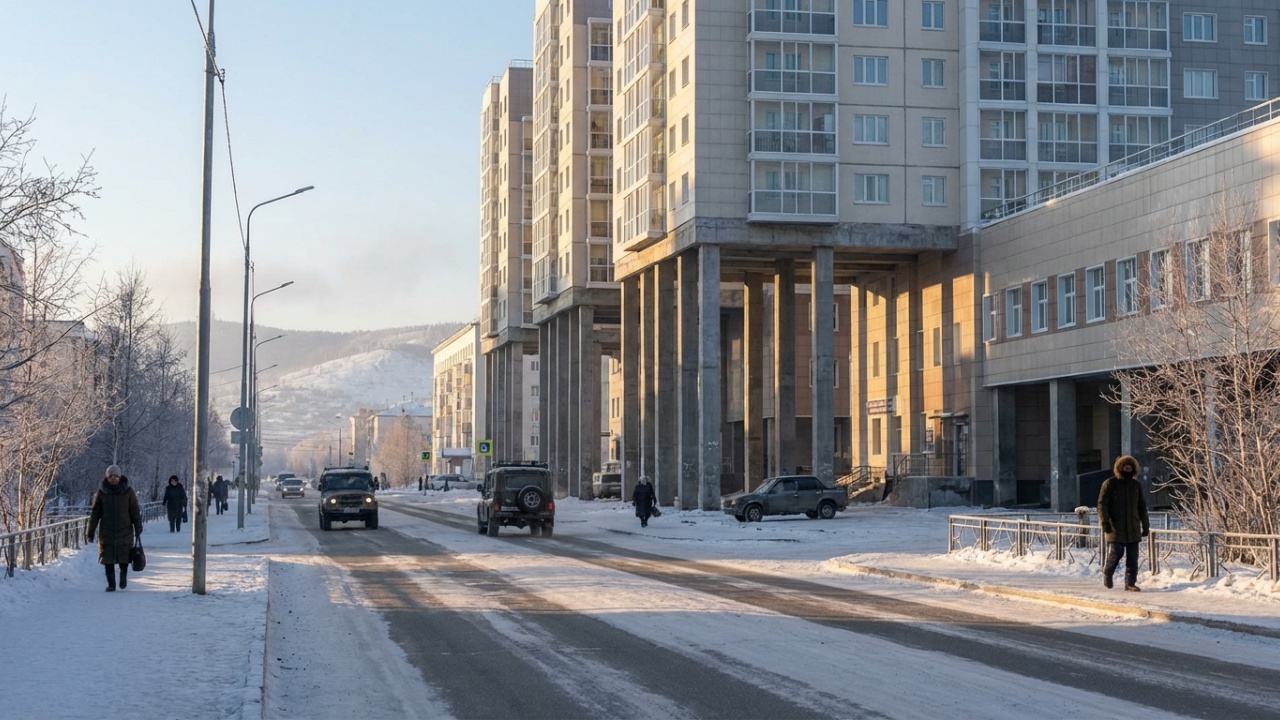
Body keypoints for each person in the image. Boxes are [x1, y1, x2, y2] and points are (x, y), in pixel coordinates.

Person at [1098, 454, 1150, 592]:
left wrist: (1145, 525)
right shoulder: (1110, 484)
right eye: (1125, 466)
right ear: (1119, 468)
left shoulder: (1136, 485)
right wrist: (1105, 521)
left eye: (1130, 466)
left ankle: (1130, 583)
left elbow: (1142, 507)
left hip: (1133, 527)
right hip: (1115, 526)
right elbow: (1102, 504)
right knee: (1117, 553)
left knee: (1133, 559)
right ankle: (1108, 573)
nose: (1128, 467)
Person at [87, 464, 142, 592]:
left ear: (120, 477)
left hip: (125, 529)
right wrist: (90, 532)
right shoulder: (101, 492)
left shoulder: (128, 491)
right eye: (111, 476)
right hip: (107, 531)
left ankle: (123, 577)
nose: (113, 478)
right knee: (108, 558)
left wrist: (138, 528)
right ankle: (111, 584)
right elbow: (95, 513)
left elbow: (134, 510)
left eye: (116, 476)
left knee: (124, 556)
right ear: (107, 477)